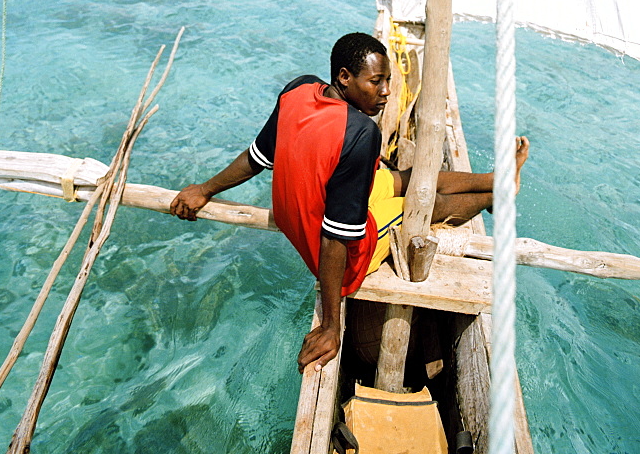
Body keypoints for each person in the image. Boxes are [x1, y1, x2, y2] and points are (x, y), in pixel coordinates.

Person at [170, 32, 529, 373]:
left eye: (387, 80)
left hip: (306, 213)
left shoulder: (298, 90)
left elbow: (257, 157)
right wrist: (330, 324)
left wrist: (205, 188)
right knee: (423, 205)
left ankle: (495, 180)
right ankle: (494, 195)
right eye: (376, 81)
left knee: (399, 179)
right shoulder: (360, 132)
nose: (386, 92)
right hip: (348, 254)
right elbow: (335, 236)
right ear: (344, 77)